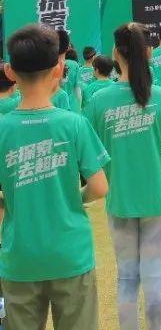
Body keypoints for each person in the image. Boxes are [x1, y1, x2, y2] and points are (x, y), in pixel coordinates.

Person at [0, 23, 109, 330]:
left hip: (20, 256)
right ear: (59, 69)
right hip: (70, 253)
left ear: (10, 71)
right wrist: (77, 197)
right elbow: (100, 186)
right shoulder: (74, 124)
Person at [85, 23, 161, 330]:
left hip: (120, 199)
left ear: (116, 53)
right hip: (156, 198)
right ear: (148, 52)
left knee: (127, 278)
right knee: (155, 275)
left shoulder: (98, 100)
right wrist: (157, 153)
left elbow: (90, 155)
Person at [58, 29, 81, 112]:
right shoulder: (74, 65)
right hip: (72, 106)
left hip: (56, 106)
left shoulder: (49, 64)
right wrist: (79, 105)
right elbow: (77, 88)